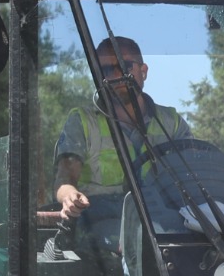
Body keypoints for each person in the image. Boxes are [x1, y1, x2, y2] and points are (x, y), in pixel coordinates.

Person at [51, 36, 190, 234]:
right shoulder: (83, 122)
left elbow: (194, 175)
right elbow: (65, 179)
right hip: (100, 218)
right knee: (135, 244)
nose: (116, 75)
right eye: (107, 69)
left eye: (125, 66)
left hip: (163, 217)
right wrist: (70, 196)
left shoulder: (172, 122)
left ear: (143, 71)